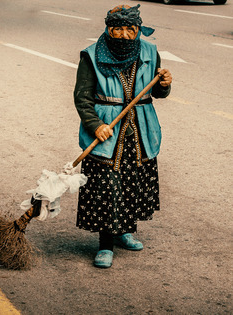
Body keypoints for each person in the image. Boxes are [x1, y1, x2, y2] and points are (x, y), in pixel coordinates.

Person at [73, 4, 172, 268]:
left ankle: (124, 231)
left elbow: (158, 94)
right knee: (107, 187)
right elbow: (82, 98)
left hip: (139, 132)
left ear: (138, 29)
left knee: (132, 182)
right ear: (107, 28)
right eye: (117, 28)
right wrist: (95, 125)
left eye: (130, 29)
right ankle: (105, 245)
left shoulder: (150, 52)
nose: (124, 34)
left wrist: (165, 84)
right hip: (108, 134)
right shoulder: (91, 56)